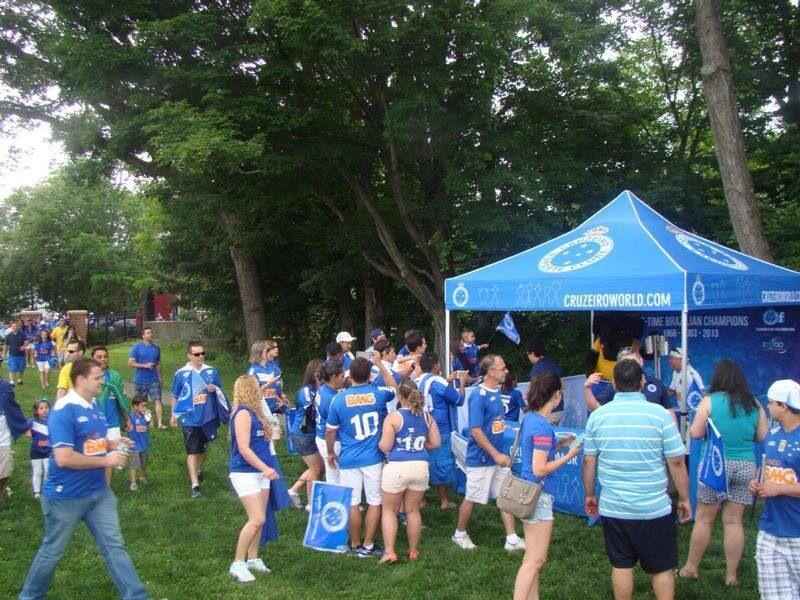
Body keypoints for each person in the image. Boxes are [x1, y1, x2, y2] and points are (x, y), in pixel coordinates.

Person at [18, 358, 148, 600]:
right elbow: (64, 457)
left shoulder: (93, 405)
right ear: (80, 380)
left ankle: (137, 596)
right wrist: (107, 461)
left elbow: (89, 442)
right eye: (97, 378)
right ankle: (29, 596)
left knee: (114, 547)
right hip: (65, 497)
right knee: (52, 551)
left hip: (99, 494)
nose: (102, 381)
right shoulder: (63, 410)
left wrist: (112, 443)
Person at [582, 359, 691, 600]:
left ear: (615, 384)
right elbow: (676, 462)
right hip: (654, 508)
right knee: (662, 567)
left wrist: (590, 495)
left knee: (621, 565)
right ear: (642, 382)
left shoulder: (598, 416)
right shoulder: (661, 415)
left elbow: (589, 461)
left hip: (614, 506)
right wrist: (684, 498)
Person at [679, 359, 768, 585]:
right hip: (746, 465)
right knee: (733, 522)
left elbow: (696, 433)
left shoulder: (709, 401)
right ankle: (731, 576)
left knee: (704, 520)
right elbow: (761, 436)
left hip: (715, 466)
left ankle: (690, 568)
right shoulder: (755, 404)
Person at [513, 373, 582, 600]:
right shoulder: (542, 426)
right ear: (556, 395)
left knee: (531, 559)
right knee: (536, 561)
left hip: (527, 493)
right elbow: (540, 468)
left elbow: (536, 450)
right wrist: (569, 454)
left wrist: (559, 442)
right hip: (539, 495)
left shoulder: (531, 418)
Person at [325, 356, 397, 557]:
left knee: (354, 501)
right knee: (374, 501)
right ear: (369, 375)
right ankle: (368, 544)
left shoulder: (338, 399)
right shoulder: (379, 393)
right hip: (373, 456)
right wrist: (381, 365)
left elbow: (330, 431)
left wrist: (330, 452)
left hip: (348, 457)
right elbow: (395, 387)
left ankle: (355, 543)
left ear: (350, 375)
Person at [453, 354, 524, 552]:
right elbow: (475, 430)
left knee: (504, 495)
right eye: (502, 368)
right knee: (472, 497)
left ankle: (511, 538)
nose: (506, 371)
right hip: (482, 458)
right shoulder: (478, 395)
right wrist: (495, 454)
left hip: (496, 457)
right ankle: (459, 533)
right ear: (491, 371)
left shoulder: (496, 392)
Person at [378, 378, 441, 563]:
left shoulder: (394, 417)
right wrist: (422, 446)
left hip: (397, 467)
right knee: (413, 510)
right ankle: (413, 550)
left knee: (389, 510)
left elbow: (386, 446)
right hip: (421, 466)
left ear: (399, 396)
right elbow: (436, 442)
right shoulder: (427, 416)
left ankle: (390, 551)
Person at [750, 379, 800, 600]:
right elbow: (767, 471)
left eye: (771, 403)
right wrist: (757, 483)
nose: (768, 407)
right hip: (770, 530)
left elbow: (778, 486)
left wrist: (779, 489)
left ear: (784, 406)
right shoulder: (772, 436)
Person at [228, 375, 279, 583]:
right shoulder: (242, 414)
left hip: (261, 471)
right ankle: (237, 563)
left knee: (262, 519)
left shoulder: (255, 413)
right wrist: (265, 468)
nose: (260, 391)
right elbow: (244, 449)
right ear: (250, 390)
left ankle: (253, 557)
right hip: (245, 472)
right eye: (257, 388)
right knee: (256, 518)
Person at [170, 341, 229, 498]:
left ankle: (198, 469)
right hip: (189, 419)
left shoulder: (211, 371)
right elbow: (175, 395)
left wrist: (214, 389)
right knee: (192, 451)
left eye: (203, 353)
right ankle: (195, 485)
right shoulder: (181, 373)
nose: (200, 356)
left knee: (203, 450)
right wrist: (173, 414)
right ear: (189, 355)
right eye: (197, 354)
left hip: (208, 418)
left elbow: (220, 391)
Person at [417, 352, 467, 510]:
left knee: (424, 463)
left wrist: (448, 381)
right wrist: (462, 384)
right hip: (440, 428)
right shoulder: (438, 383)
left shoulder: (419, 380)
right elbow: (458, 400)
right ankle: (444, 500)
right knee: (441, 463)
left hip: (421, 426)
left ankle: (421, 499)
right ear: (436, 365)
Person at [287, 359, 324, 511]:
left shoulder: (317, 389)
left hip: (311, 433)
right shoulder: (306, 391)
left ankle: (294, 490)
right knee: (316, 469)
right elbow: (312, 409)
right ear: (315, 374)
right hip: (303, 434)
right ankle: (311, 503)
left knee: (317, 468)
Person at [93, 346, 131, 484]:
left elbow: (122, 400)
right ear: (93, 359)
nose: (103, 359)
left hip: (112, 423)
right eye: (99, 357)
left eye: (105, 356)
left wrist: (127, 419)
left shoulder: (114, 376)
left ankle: (106, 488)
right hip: (94, 424)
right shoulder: (87, 377)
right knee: (96, 455)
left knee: (110, 458)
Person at [0, 372, 31, 501]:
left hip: (2, 434)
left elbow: (12, 408)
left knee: (5, 468)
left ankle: (1, 491)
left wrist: (24, 426)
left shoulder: (5, 387)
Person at [315, 359, 346, 484]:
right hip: (331, 440)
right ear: (334, 377)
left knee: (332, 473)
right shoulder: (331, 399)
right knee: (336, 476)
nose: (344, 379)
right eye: (342, 376)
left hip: (321, 436)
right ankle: (336, 501)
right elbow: (331, 429)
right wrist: (330, 451)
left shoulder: (323, 389)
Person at [128, 327, 164, 429]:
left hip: (153, 380)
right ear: (143, 335)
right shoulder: (136, 348)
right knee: (141, 403)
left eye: (151, 332)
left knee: (158, 400)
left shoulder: (156, 348)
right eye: (148, 333)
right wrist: (145, 365)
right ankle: (147, 422)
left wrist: (160, 377)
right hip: (140, 380)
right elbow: (130, 363)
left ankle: (160, 423)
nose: (150, 334)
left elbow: (158, 364)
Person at [247, 339, 288, 414]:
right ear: (260, 353)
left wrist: (281, 398)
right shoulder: (253, 371)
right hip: (261, 410)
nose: (269, 352)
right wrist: (268, 384)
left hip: (274, 408)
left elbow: (276, 388)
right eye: (267, 350)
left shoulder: (272, 367)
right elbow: (253, 393)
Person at [127, 395, 150, 491]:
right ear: (135, 406)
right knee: (134, 464)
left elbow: (148, 427)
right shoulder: (130, 416)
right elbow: (127, 427)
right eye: (142, 406)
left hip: (144, 443)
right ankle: (133, 482)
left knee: (143, 463)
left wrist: (148, 420)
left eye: (145, 406)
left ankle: (142, 476)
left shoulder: (145, 416)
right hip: (134, 444)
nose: (144, 408)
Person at [30, 400, 51, 499]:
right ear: (36, 411)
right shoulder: (32, 422)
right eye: (41, 408)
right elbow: (27, 432)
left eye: (46, 408)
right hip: (35, 452)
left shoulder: (52, 422)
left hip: (48, 452)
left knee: (48, 470)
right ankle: (37, 491)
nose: (44, 410)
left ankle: (46, 489)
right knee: (37, 472)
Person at [5, 320, 26, 385]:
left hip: (21, 355)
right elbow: (6, 346)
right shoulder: (8, 336)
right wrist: (4, 354)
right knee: (12, 368)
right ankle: (12, 381)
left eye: (16, 326)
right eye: (13, 326)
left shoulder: (22, 334)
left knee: (21, 368)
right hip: (12, 355)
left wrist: (24, 346)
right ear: (11, 327)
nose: (14, 327)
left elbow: (26, 342)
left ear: (18, 327)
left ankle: (19, 380)